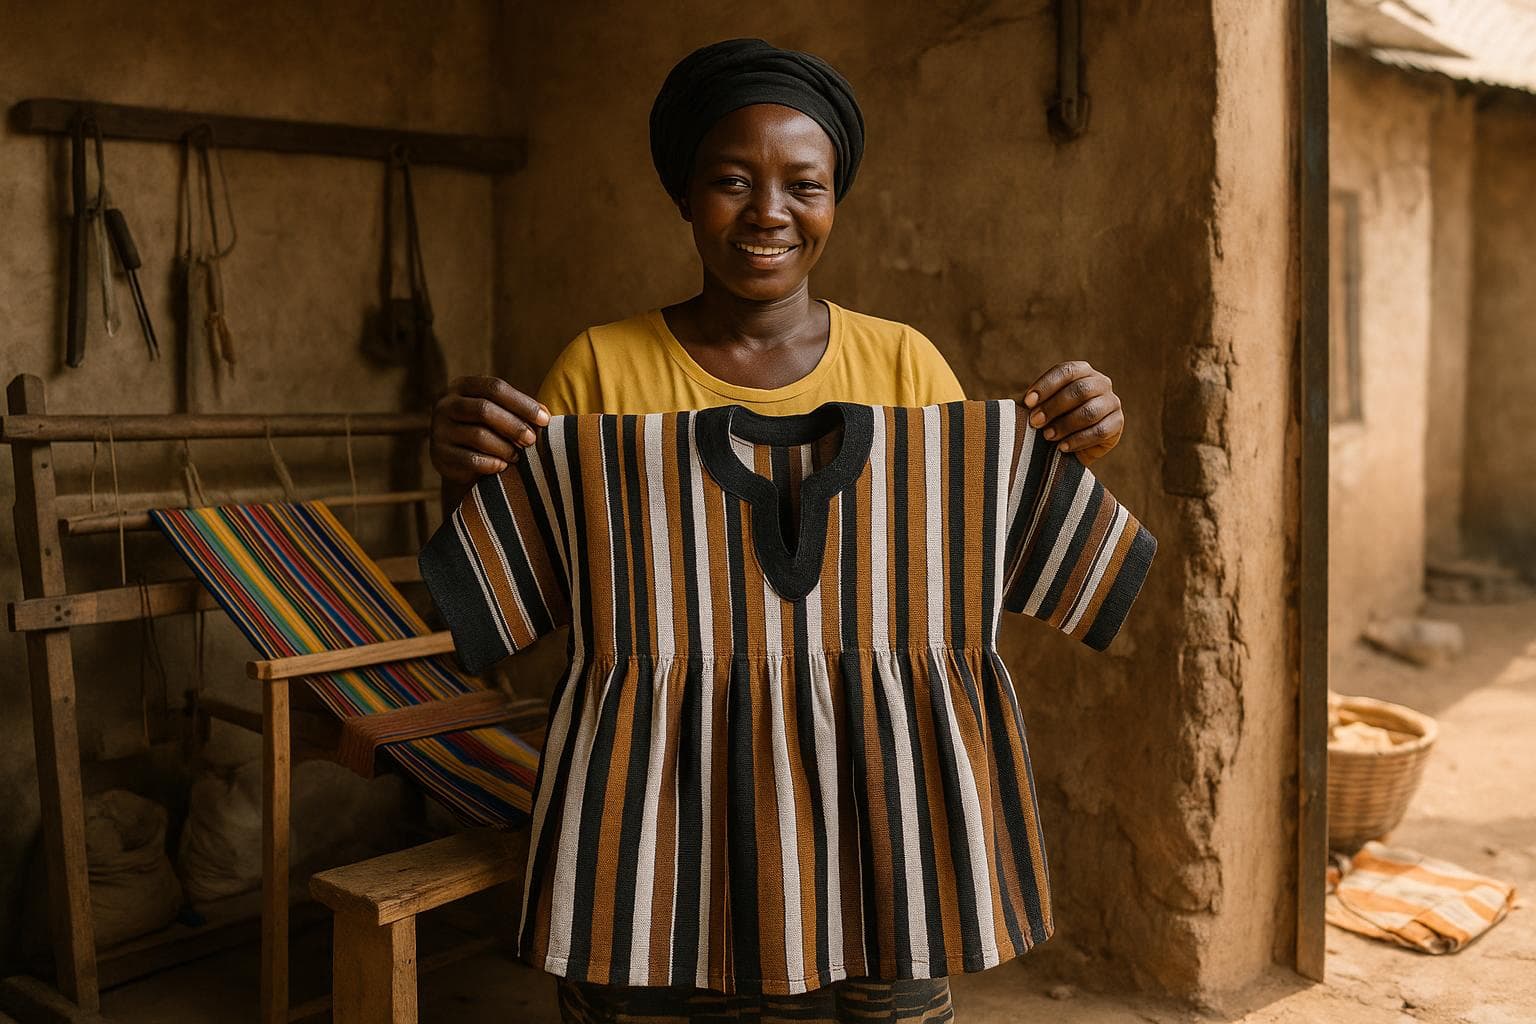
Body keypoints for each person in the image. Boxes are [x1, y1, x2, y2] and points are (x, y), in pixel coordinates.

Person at [430, 37, 1125, 1024]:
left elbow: (999, 538)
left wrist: (1067, 447)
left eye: (805, 184)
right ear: (683, 193)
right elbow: (501, 605)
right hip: (657, 855)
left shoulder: (905, 369)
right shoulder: (601, 371)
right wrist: (462, 479)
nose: (768, 212)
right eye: (730, 180)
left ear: (836, 199)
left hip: (879, 850)